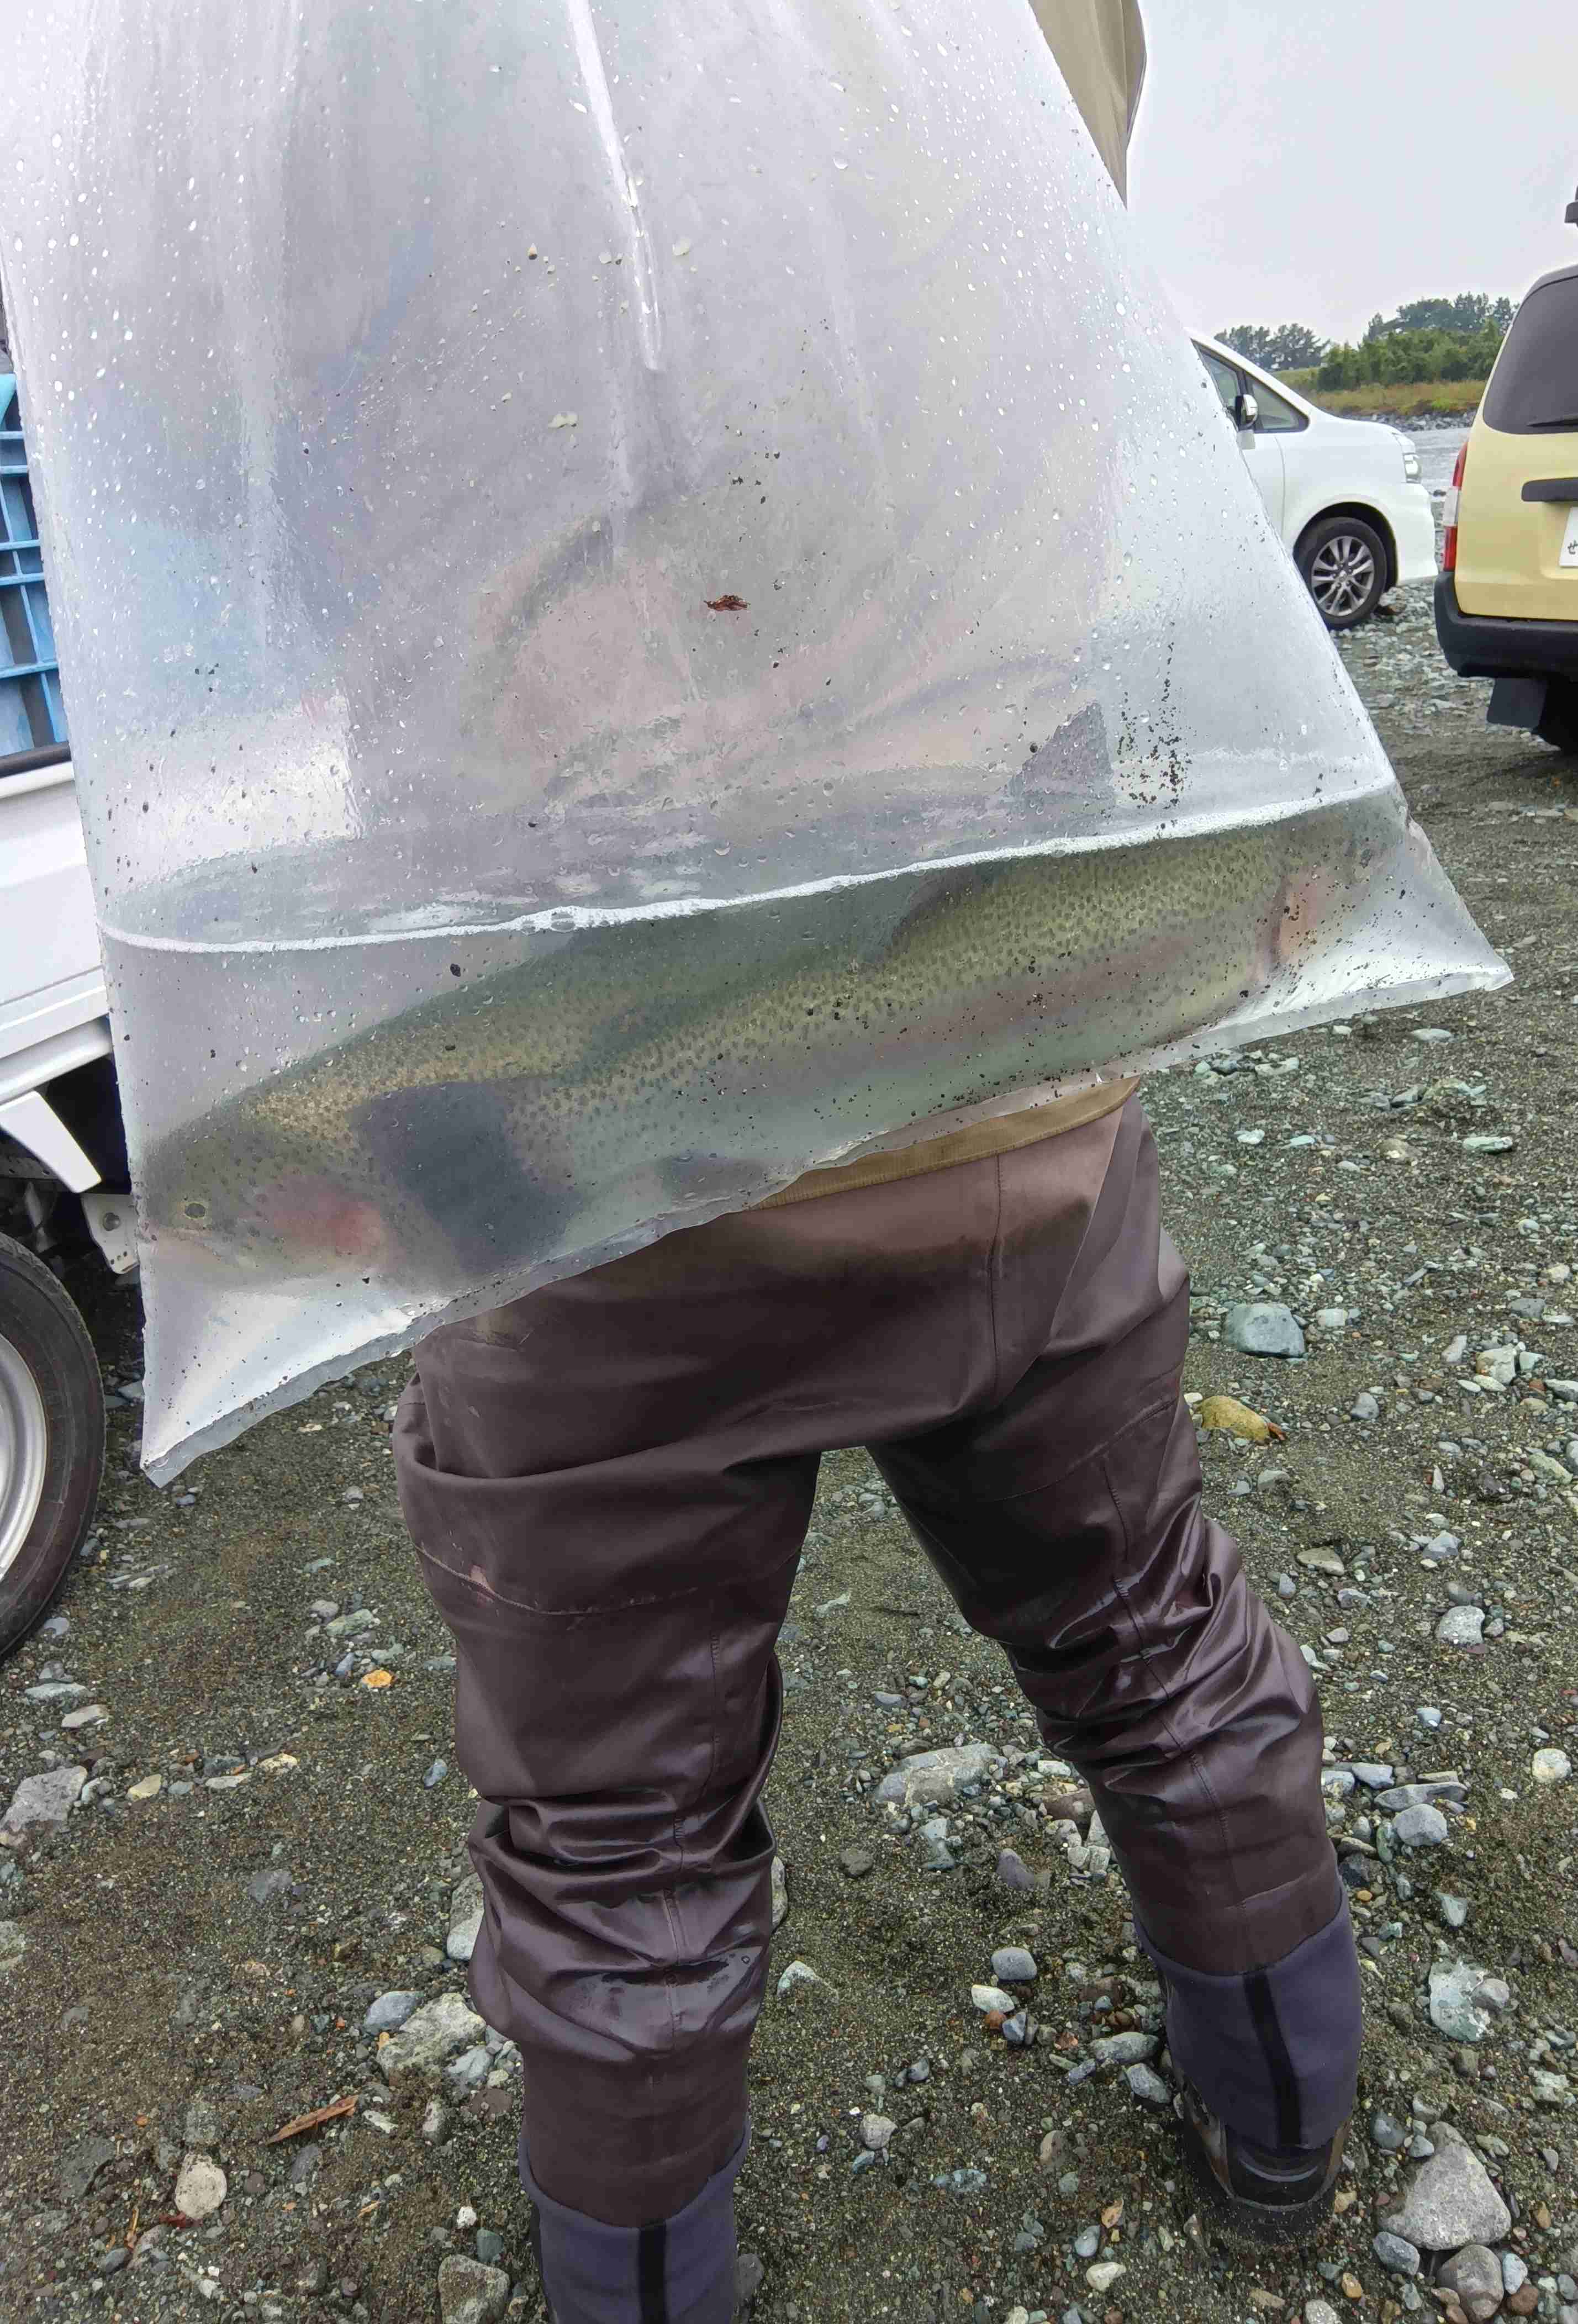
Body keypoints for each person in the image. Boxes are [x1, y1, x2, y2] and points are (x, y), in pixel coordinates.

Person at [390, 8, 1361, 2319]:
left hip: (594, 1104)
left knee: (616, 1842)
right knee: (1157, 1641)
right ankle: (1287, 2141)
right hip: (1005, 1044)